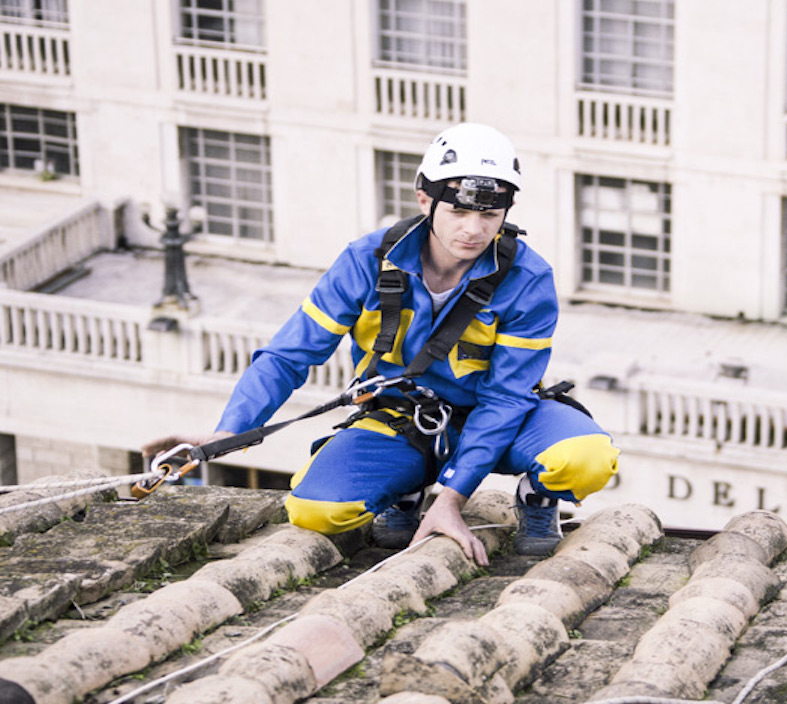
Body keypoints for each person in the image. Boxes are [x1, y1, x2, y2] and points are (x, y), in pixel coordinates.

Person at [142, 123, 620, 565]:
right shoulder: (366, 260)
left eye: (489, 215)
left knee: (586, 459)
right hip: (403, 418)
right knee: (316, 511)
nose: (473, 230)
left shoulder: (527, 278)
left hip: (504, 419)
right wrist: (231, 432)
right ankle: (406, 486)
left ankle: (538, 499)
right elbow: (290, 355)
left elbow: (505, 396)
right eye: (457, 211)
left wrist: (451, 501)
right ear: (424, 200)